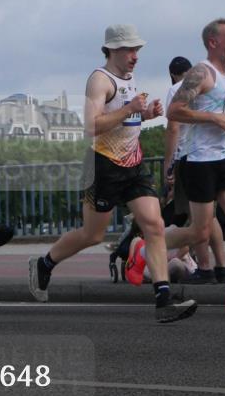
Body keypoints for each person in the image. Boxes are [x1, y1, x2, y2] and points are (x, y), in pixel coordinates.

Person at [29, 25, 198, 323]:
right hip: (102, 165)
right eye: (130, 50)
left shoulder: (129, 78)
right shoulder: (99, 80)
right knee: (92, 234)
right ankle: (44, 263)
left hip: (133, 164)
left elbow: (124, 118)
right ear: (113, 50)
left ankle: (163, 297)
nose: (136, 56)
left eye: (138, 50)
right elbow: (91, 126)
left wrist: (144, 115)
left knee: (154, 224)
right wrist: (131, 108)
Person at [150, 18, 225, 314]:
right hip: (199, 161)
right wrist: (214, 119)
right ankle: (146, 248)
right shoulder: (200, 73)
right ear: (213, 42)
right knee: (200, 233)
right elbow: (174, 110)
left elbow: (221, 111)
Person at [161, 55, 225, 285]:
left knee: (196, 218)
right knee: (210, 217)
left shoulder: (176, 90)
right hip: (215, 155)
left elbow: (173, 129)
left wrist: (168, 163)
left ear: (172, 74)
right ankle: (221, 266)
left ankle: (204, 267)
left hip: (189, 156)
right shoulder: (207, 82)